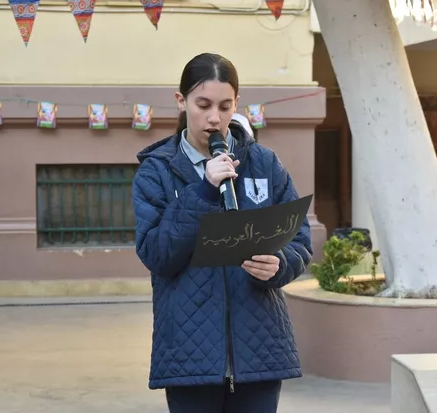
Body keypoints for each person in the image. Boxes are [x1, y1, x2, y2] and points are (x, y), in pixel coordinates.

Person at [132, 52, 312, 413]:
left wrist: (279, 264)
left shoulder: (264, 163)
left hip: (260, 349)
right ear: (181, 101)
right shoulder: (157, 172)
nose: (214, 118)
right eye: (203, 105)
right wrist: (203, 192)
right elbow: (157, 255)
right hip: (188, 357)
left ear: (236, 104)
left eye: (225, 106)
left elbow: (300, 242)